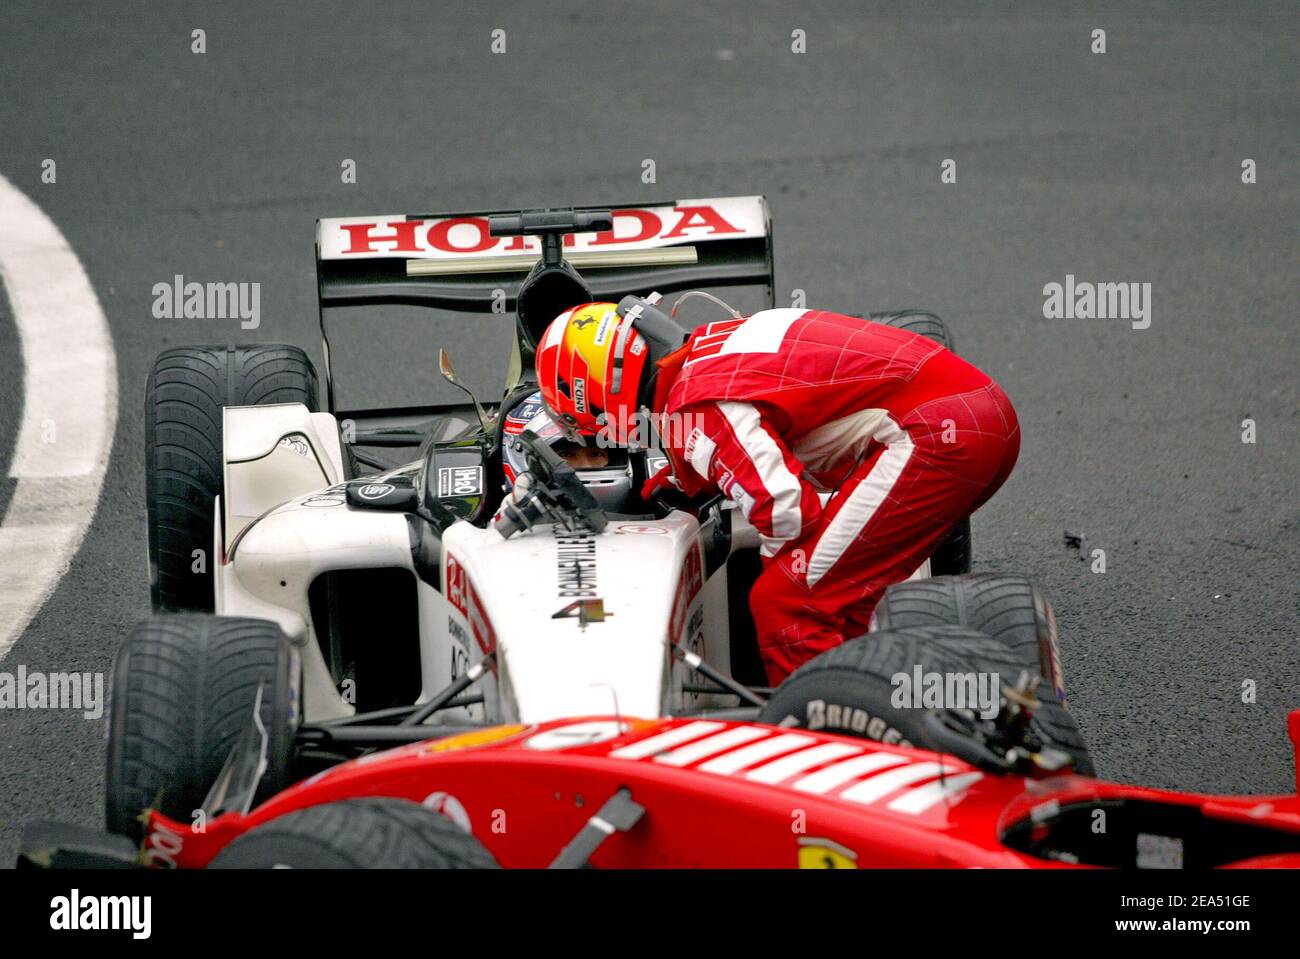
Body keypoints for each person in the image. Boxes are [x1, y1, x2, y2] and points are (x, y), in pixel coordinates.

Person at [534, 298, 1020, 684]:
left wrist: (772, 557)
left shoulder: (693, 406)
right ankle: (888, 698)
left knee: (787, 599)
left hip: (937, 439)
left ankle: (834, 752)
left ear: (592, 399)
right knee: (841, 595)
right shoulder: (713, 342)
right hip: (984, 415)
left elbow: (787, 511)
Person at [500, 389, 633, 513]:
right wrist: (513, 512)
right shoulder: (491, 534)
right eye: (566, 455)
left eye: (597, 454)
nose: (586, 466)